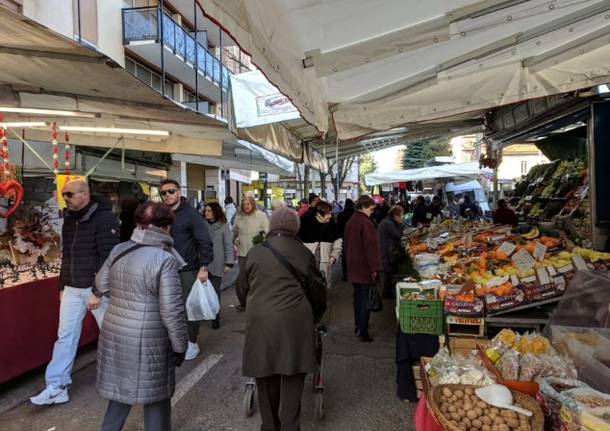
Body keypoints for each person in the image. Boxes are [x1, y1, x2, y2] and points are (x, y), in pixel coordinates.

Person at [96, 202, 187, 431]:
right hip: (150, 338)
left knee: (119, 392)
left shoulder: (120, 249)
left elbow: (101, 284)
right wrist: (180, 346)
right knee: (156, 396)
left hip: (115, 329)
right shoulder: (165, 259)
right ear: (165, 227)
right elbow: (172, 310)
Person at [31, 179, 120, 405]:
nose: (66, 199)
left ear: (84, 194)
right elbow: (67, 255)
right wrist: (62, 285)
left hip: (95, 288)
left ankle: (124, 377)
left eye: (69, 194)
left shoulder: (105, 218)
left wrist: (98, 292)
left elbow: (109, 258)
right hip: (72, 288)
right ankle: (57, 385)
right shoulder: (70, 219)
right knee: (65, 336)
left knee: (112, 335)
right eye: (64, 195)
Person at [237, 208, 326, 431]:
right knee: (293, 376)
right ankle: (289, 426)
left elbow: (241, 290)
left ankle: (269, 425)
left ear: (272, 226)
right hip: (294, 323)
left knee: (265, 375)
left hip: (260, 322)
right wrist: (316, 316)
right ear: (295, 228)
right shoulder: (303, 253)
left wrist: (255, 306)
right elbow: (318, 293)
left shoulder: (256, 252)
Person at [160, 179, 213, 361]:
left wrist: (204, 266)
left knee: (189, 307)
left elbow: (204, 241)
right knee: (168, 308)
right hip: (164, 270)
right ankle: (174, 342)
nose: (167, 195)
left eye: (171, 191)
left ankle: (191, 341)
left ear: (179, 192)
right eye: (164, 193)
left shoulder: (191, 215)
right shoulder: (161, 214)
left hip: (187, 269)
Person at [344, 195, 383, 342]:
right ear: (363, 207)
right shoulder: (366, 223)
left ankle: (358, 326)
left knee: (358, 298)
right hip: (364, 267)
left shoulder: (351, 221)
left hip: (353, 266)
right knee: (365, 300)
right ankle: (363, 331)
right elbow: (371, 248)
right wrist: (375, 268)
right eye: (371, 208)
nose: (372, 211)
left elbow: (346, 245)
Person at [203, 202, 235, 329]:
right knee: (203, 290)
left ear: (216, 212)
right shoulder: (201, 225)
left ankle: (215, 316)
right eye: (205, 211)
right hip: (203, 263)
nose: (206, 213)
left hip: (217, 262)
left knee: (215, 291)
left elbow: (228, 245)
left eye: (209, 211)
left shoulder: (223, 226)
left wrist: (229, 262)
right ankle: (204, 313)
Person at [298, 200, 342, 285]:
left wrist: (333, 257)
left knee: (323, 291)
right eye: (328, 214)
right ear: (318, 214)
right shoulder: (304, 224)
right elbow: (296, 245)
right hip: (307, 267)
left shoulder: (331, 225)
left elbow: (338, 241)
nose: (330, 216)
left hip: (325, 266)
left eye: (330, 213)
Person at [233, 194, 270, 270]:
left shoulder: (261, 216)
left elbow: (267, 233)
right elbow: (233, 233)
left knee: (256, 277)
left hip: (257, 253)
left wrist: (260, 240)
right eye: (243, 205)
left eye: (248, 204)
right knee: (243, 276)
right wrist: (233, 242)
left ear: (253, 204)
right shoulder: (239, 217)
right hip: (242, 254)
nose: (246, 206)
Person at [378, 205, 405, 299]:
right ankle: (389, 293)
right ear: (395, 215)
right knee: (390, 273)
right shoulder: (388, 223)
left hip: (387, 249)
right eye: (400, 215)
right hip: (388, 251)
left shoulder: (387, 221)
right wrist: (401, 224)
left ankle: (387, 293)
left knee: (389, 274)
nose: (401, 217)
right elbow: (399, 235)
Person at [337, 198, 355, 280]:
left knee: (345, 256)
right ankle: (353, 272)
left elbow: (338, 226)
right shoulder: (355, 215)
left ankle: (345, 274)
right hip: (354, 237)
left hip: (344, 237)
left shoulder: (341, 215)